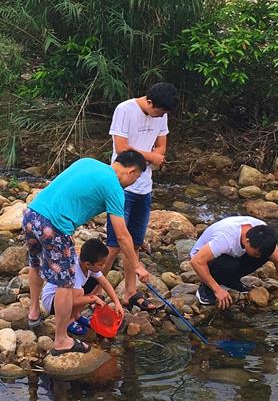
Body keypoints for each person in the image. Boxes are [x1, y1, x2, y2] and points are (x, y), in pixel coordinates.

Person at [24, 151, 151, 355]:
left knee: (35, 264)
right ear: (132, 170)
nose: (133, 183)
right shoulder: (114, 188)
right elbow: (122, 235)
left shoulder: (88, 162)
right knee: (65, 283)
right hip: (55, 226)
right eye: (135, 178)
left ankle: (34, 311)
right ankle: (61, 340)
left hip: (33, 214)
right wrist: (136, 265)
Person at [105, 82, 178, 312]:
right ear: (148, 102)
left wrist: (155, 156)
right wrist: (152, 158)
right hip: (122, 185)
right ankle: (92, 291)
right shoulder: (125, 110)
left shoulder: (161, 114)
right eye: (158, 112)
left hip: (144, 187)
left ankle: (130, 292)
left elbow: (162, 145)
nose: (160, 117)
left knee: (135, 243)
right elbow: (122, 148)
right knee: (115, 244)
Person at [189, 216, 278, 317]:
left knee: (263, 256)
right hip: (206, 258)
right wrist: (217, 290)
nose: (258, 257)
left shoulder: (264, 234)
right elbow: (196, 261)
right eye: (256, 253)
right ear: (247, 241)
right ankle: (206, 289)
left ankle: (230, 281)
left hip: (231, 255)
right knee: (230, 266)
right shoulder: (225, 238)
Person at [40, 238, 123, 336]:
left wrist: (117, 303)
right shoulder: (75, 272)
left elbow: (105, 283)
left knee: (94, 282)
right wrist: (94, 298)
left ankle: (76, 315)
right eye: (101, 264)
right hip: (52, 301)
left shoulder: (88, 266)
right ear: (88, 264)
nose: (104, 266)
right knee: (80, 293)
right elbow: (75, 300)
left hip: (66, 298)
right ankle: (68, 321)